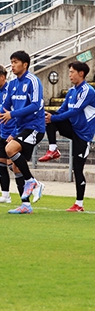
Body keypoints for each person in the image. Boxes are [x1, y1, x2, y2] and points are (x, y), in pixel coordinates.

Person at [0, 50, 46, 214]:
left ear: (25, 64)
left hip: (35, 127)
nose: (12, 65)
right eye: (11, 62)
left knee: (9, 149)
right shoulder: (12, 84)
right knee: (17, 168)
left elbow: (36, 105)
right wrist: (1, 113)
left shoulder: (33, 81)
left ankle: (33, 182)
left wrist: (12, 114)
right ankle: (25, 205)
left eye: (16, 62)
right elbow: (7, 104)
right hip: (21, 128)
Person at [44, 62, 95, 212]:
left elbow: (74, 111)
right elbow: (61, 110)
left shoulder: (88, 91)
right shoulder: (72, 91)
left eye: (72, 72)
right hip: (73, 128)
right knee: (50, 115)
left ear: (81, 73)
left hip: (83, 134)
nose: (69, 75)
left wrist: (53, 119)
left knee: (77, 169)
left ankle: (79, 204)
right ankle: (53, 149)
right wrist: (49, 117)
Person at [0, 65, 25, 204]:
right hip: (3, 133)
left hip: (13, 134)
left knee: (14, 166)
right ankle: (5, 196)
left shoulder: (12, 90)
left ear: (2, 77)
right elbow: (1, 114)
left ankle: (25, 195)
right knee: (0, 164)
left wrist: (15, 133)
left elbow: (17, 114)